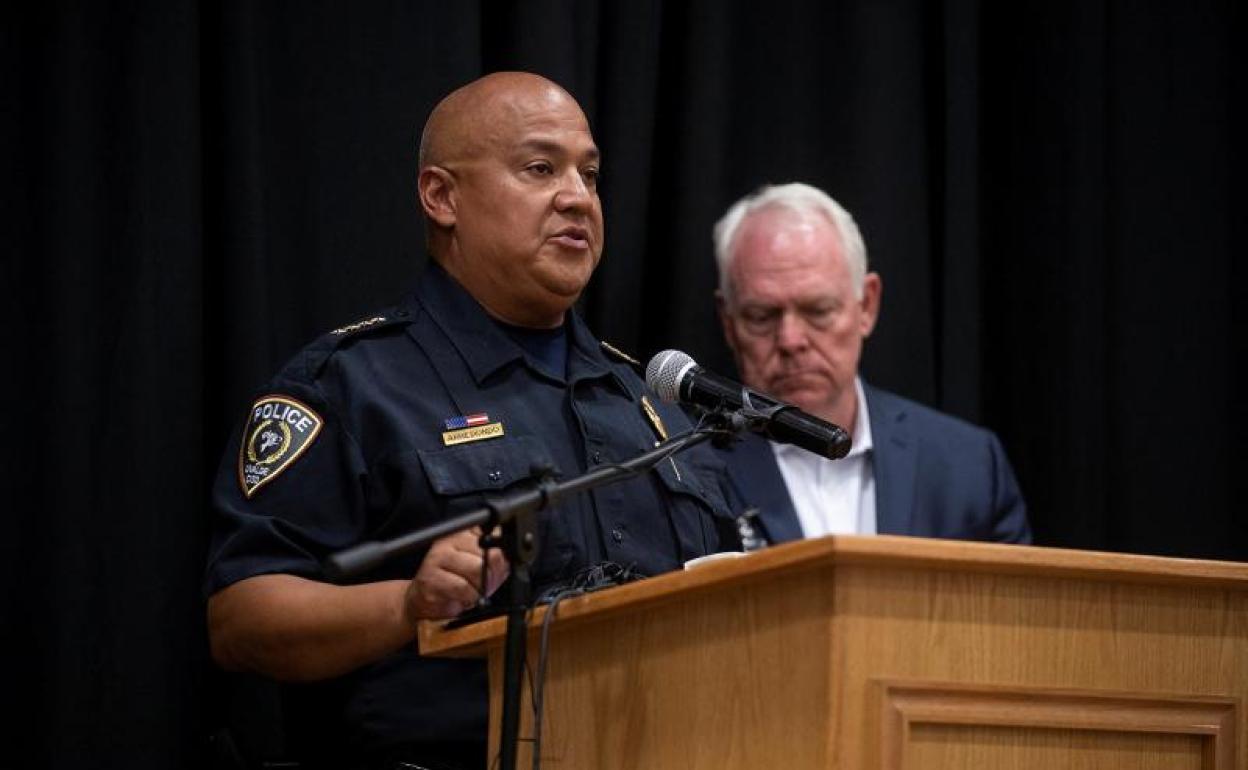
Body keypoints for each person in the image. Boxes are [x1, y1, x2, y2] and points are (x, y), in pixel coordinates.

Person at [204, 71, 738, 770]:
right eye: (540, 169)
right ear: (442, 196)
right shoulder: (354, 386)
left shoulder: (646, 403)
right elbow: (242, 618)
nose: (577, 197)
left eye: (591, 175)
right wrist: (407, 605)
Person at [711, 182, 1031, 546]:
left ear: (867, 306)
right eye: (762, 316)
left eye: (818, 311)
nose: (790, 340)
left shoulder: (967, 467)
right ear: (728, 322)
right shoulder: (684, 467)